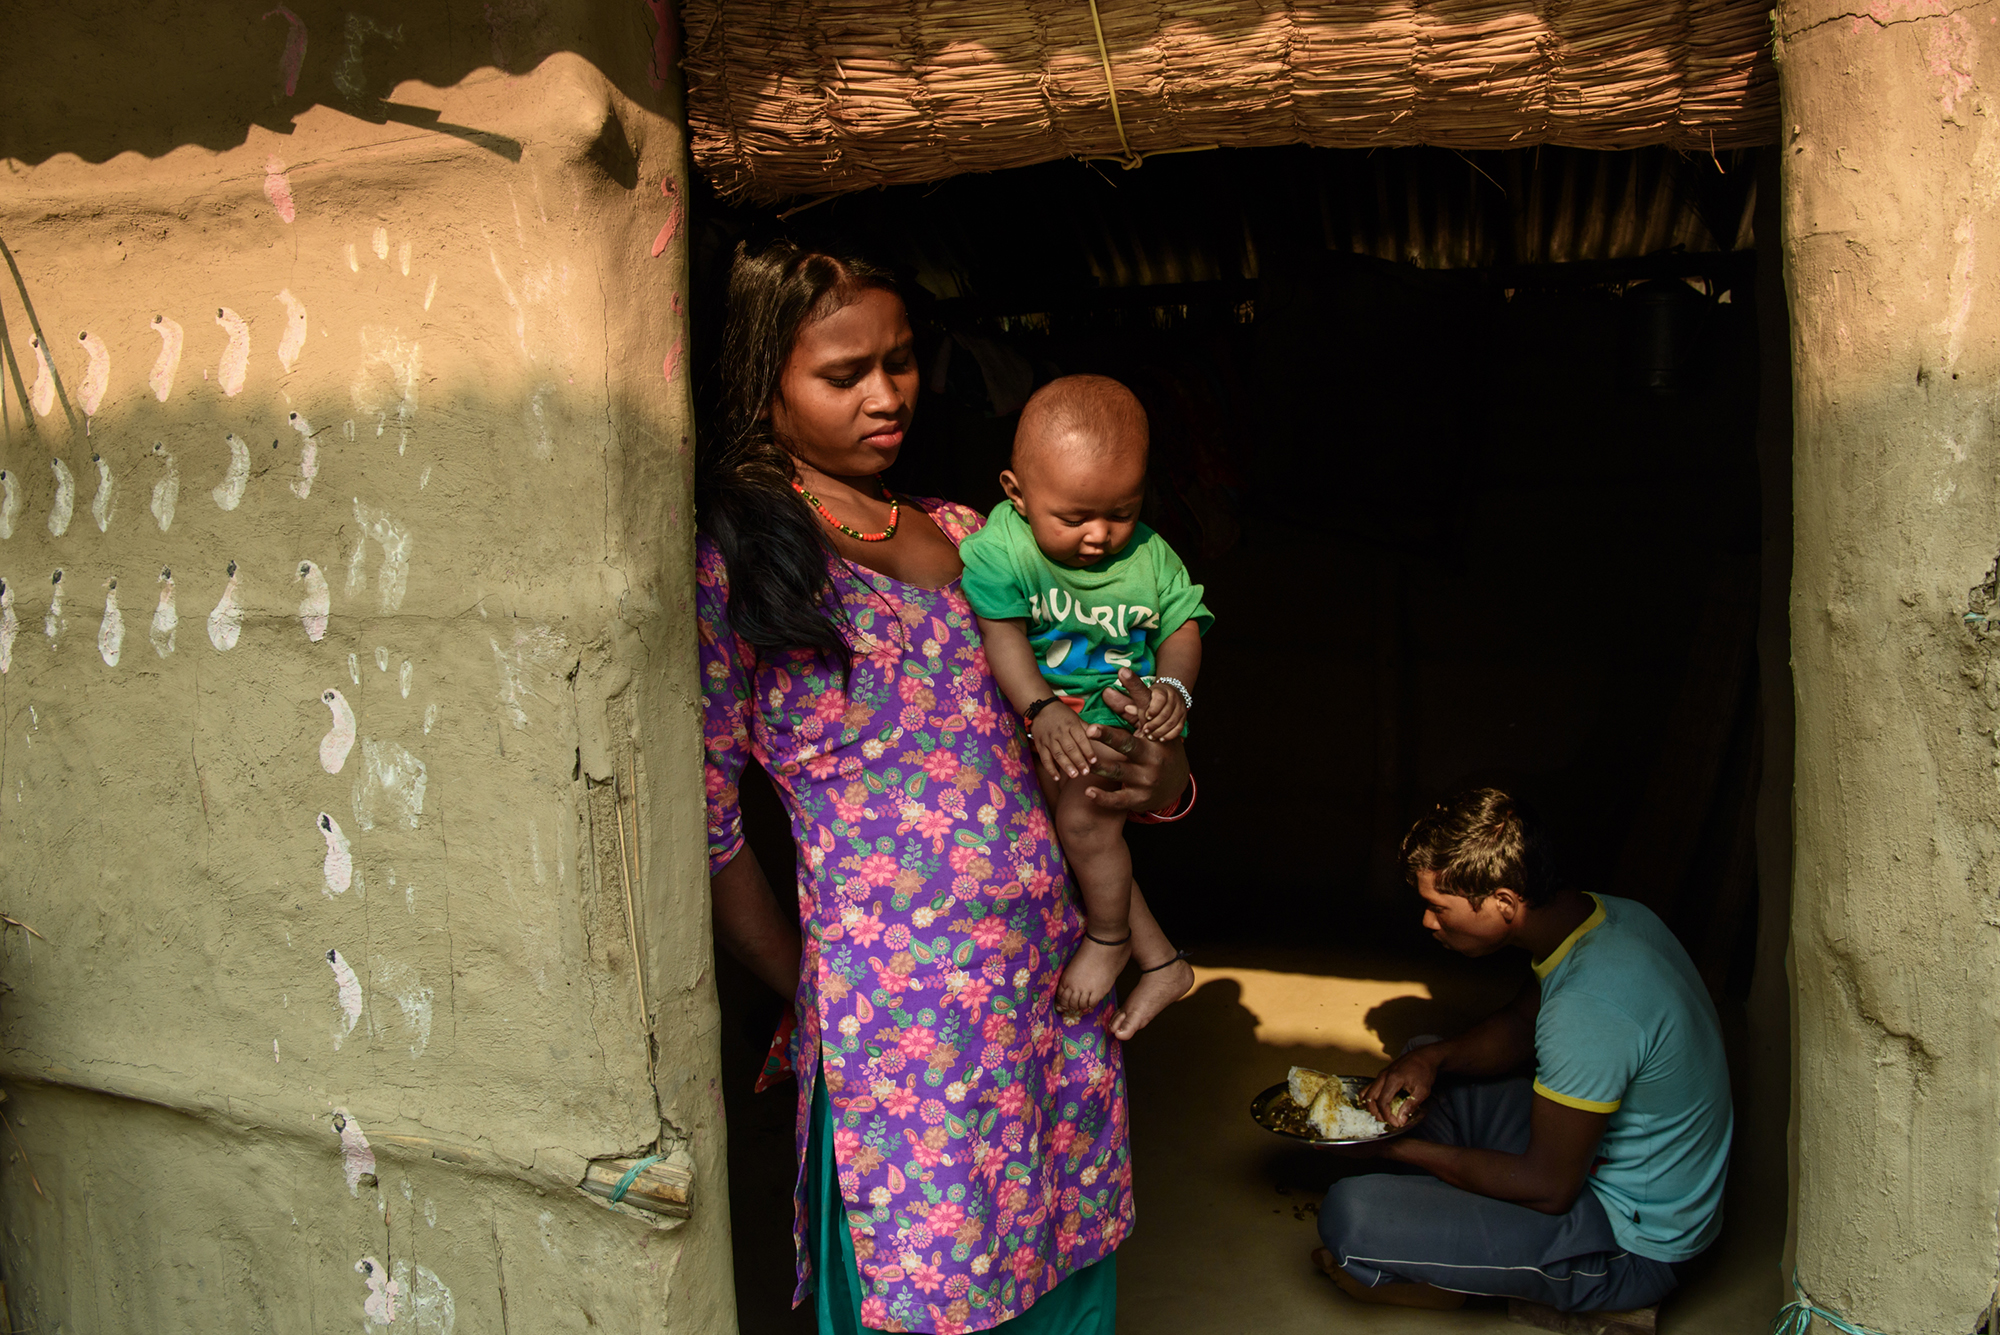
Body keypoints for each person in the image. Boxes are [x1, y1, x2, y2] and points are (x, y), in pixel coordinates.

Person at [697, 238, 1197, 1335]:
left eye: (902, 361)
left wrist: (1159, 767)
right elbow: (712, 824)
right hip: (900, 1025)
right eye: (843, 375)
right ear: (760, 388)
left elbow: (1107, 746)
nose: (887, 396)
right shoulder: (741, 559)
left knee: (1059, 1245)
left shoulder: (980, 536)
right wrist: (811, 991)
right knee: (925, 1283)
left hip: (1051, 981)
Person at [1312, 787, 1733, 1313]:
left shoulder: (1588, 1006)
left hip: (1630, 1244)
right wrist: (1431, 1059)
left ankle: (1457, 1275)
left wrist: (1393, 1150)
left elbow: (1550, 1187)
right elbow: (1518, 1024)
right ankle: (1453, 1226)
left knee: (1351, 1216)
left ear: (1504, 903)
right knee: (1427, 1061)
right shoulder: (1609, 920)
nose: (1427, 922)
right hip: (1603, 1161)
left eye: (1438, 908)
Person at [960, 375, 1211, 1014]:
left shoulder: (1153, 556)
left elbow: (1183, 626)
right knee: (1083, 836)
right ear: (1016, 494)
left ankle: (1110, 937)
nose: (1099, 536)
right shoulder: (1003, 548)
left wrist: (1174, 689)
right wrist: (1040, 708)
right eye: (1073, 518)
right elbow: (1003, 634)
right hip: (1051, 716)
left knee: (1081, 822)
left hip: (1122, 715)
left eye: (1121, 513)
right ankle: (1163, 961)